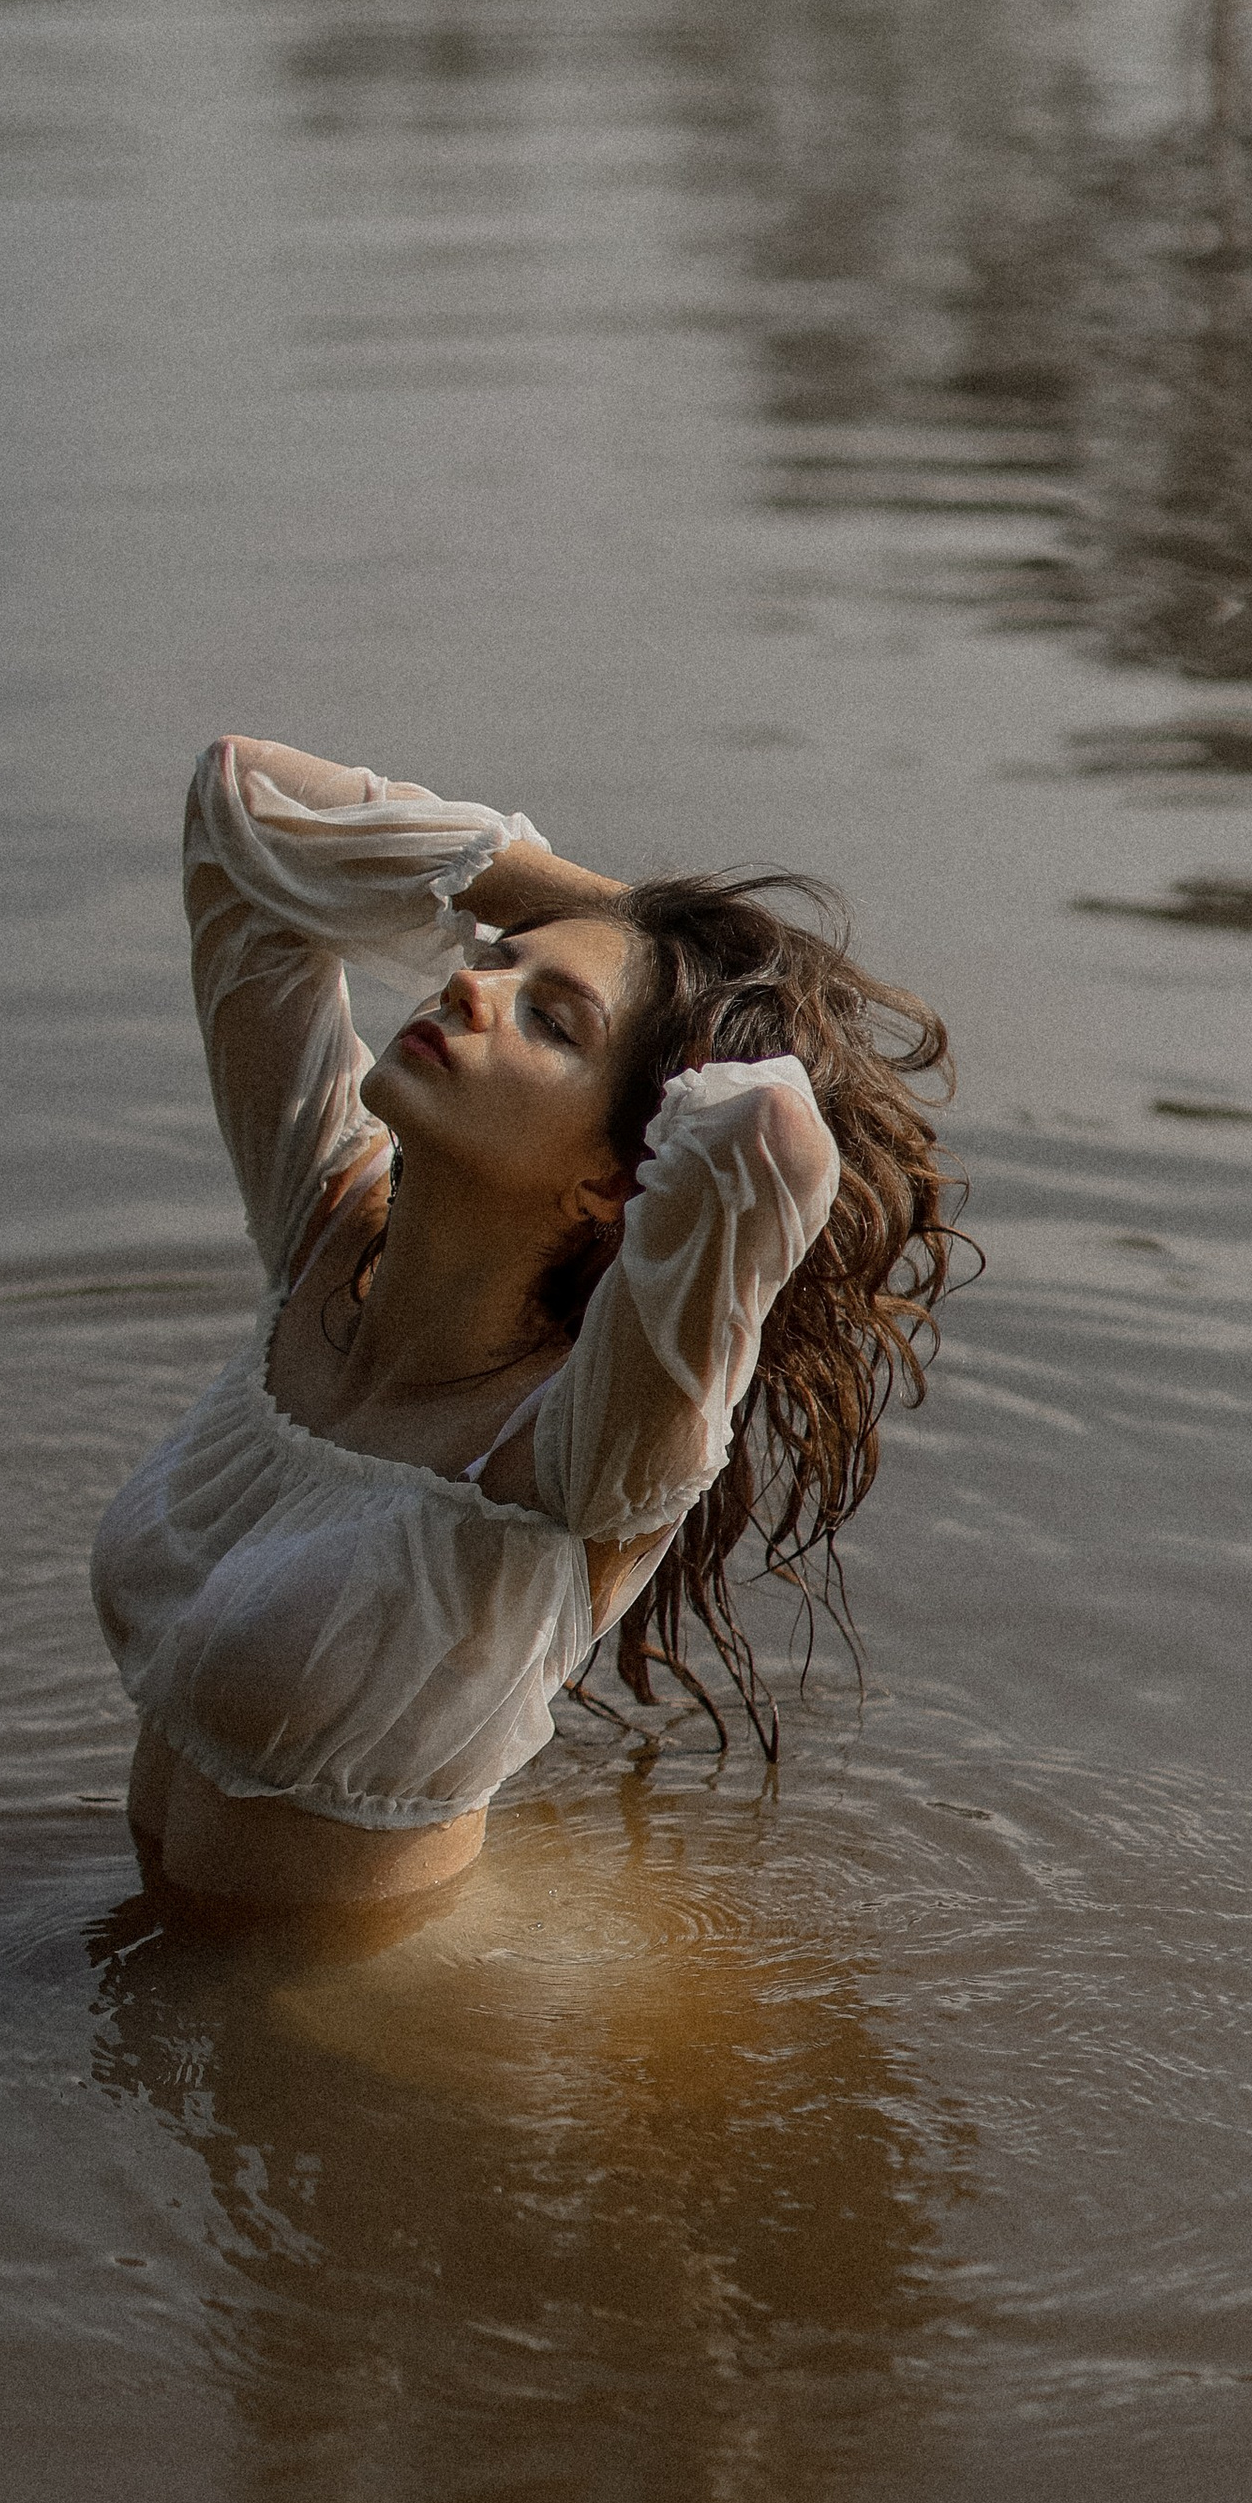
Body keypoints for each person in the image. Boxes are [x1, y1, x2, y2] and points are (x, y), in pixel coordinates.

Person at [92, 738, 959, 1913]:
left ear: (620, 1179)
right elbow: (246, 807)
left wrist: (704, 975)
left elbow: (767, 1130)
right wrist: (632, 927)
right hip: (153, 1969)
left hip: (384, 2057)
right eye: (495, 959)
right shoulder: (325, 1228)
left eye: (550, 1022)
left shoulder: (583, 1450)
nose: (467, 984)